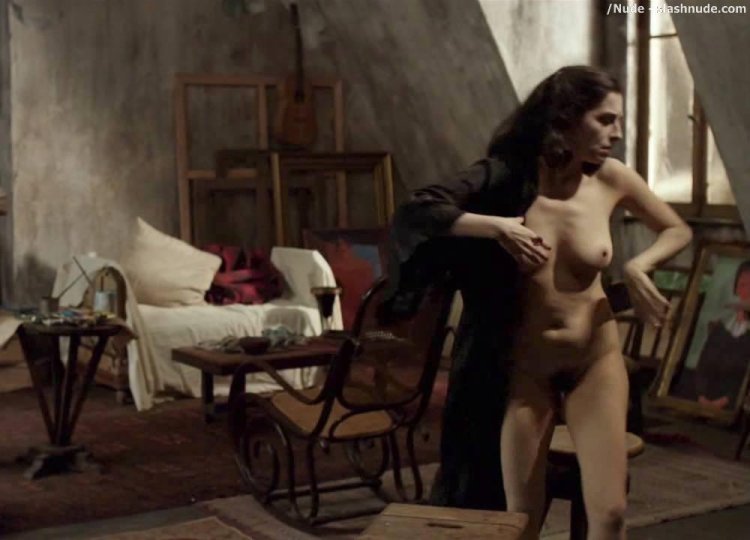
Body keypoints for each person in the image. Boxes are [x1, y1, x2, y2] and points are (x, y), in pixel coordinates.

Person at [386, 65, 692, 539]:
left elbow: (676, 228)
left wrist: (638, 267)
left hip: (595, 358)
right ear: (565, 118)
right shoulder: (507, 181)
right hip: (526, 369)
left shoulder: (611, 179)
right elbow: (417, 211)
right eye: (605, 120)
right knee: (522, 518)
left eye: (618, 120)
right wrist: (496, 227)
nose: (617, 132)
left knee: (610, 513)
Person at [694, 260, 750, 410]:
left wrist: (726, 400)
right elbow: (703, 364)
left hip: (736, 405)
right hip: (704, 400)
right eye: (743, 285)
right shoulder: (721, 328)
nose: (747, 291)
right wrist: (701, 396)